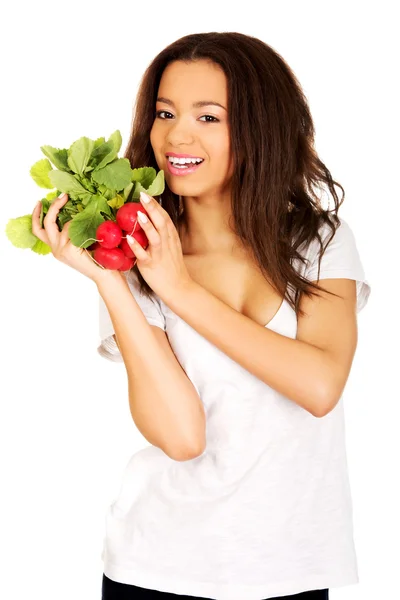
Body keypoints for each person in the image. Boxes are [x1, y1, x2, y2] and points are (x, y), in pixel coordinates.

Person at [32, 32, 371, 600]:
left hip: (292, 566)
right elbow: (182, 437)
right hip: (154, 566)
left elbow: (318, 385)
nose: (176, 135)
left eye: (208, 117)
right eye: (164, 113)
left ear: (260, 127)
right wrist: (110, 280)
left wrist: (182, 290)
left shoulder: (319, 242)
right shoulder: (137, 255)